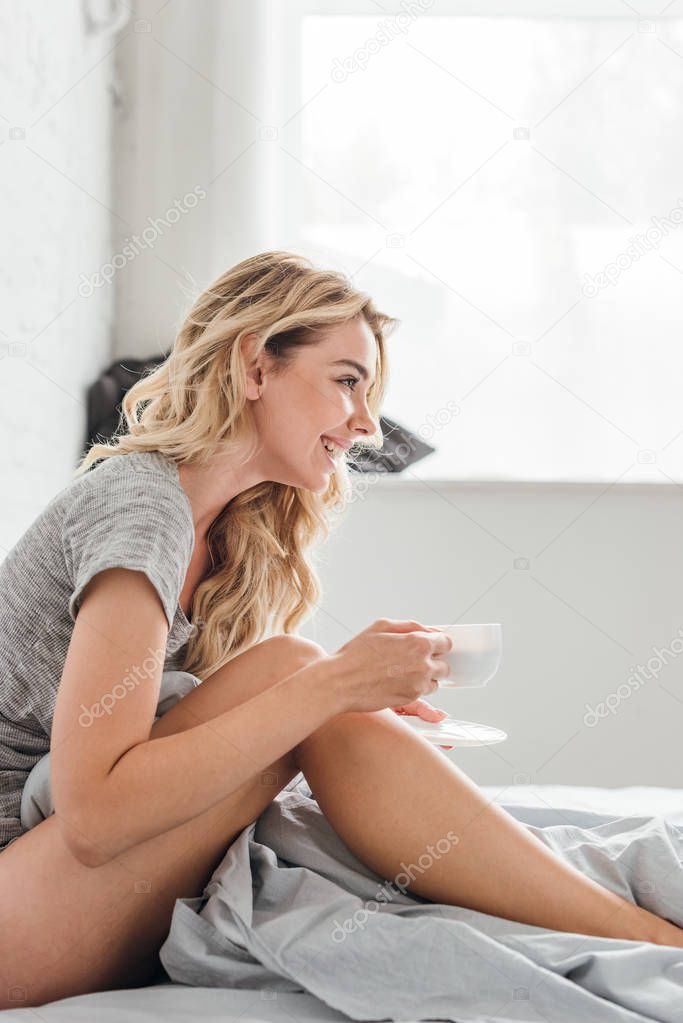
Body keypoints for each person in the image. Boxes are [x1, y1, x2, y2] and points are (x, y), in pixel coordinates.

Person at [1, 250, 681, 1009]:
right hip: (16, 913)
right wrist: (329, 686)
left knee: (305, 681)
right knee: (299, 669)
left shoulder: (224, 533)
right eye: (347, 381)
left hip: (53, 895)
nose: (365, 424)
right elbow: (94, 817)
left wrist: (341, 703)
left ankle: (623, 923)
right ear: (254, 367)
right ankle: (646, 936)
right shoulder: (141, 507)